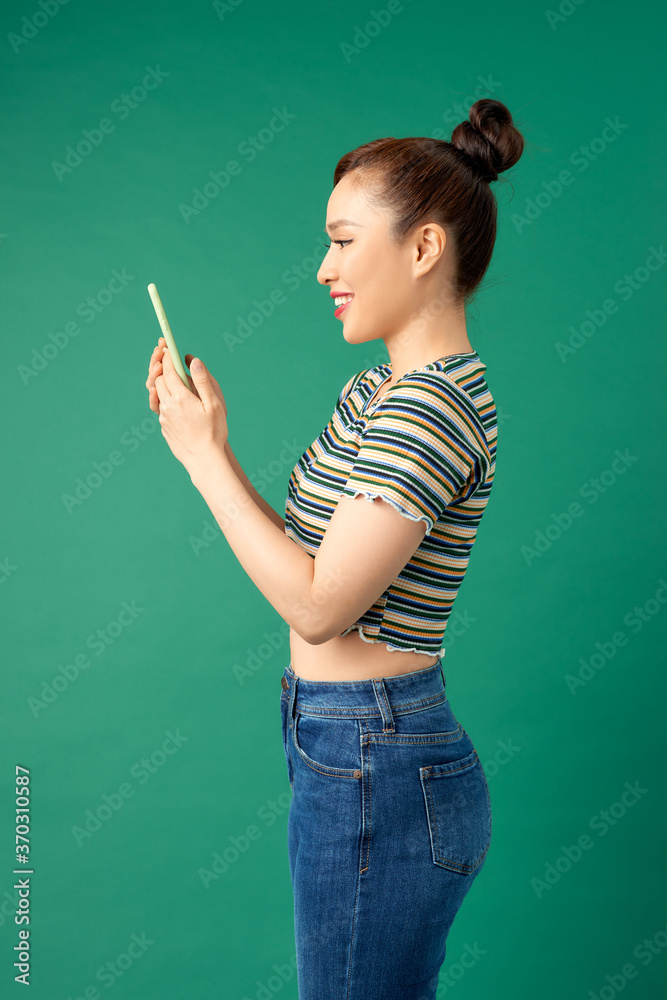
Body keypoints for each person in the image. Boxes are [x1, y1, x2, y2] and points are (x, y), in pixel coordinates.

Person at [147, 97, 524, 999]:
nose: (323, 268)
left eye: (344, 241)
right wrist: (213, 444)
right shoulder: (379, 393)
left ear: (424, 248)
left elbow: (320, 606)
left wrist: (203, 464)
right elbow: (313, 564)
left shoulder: (429, 408)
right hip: (345, 743)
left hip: (376, 757)